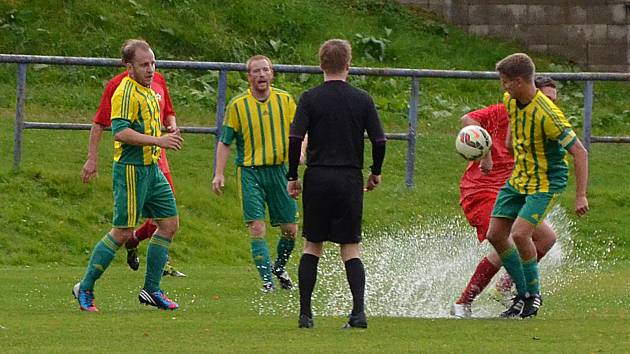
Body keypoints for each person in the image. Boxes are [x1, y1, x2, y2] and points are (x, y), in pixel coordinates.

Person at [72, 39, 184, 312]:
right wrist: (158, 141)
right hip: (132, 171)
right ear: (128, 66)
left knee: (169, 224)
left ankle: (151, 289)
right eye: (144, 65)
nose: (151, 69)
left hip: (152, 169)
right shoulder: (124, 92)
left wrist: (166, 131)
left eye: (153, 63)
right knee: (122, 232)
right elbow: (120, 132)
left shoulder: (150, 88)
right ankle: (84, 287)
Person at [287, 39, 387, 329]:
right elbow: (379, 140)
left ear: (321, 65)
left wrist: (293, 175)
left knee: (312, 244)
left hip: (318, 176)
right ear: (348, 65)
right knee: (350, 246)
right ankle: (358, 313)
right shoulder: (362, 99)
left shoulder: (309, 98)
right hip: (349, 177)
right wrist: (375, 171)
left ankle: (306, 315)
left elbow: (295, 139)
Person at [486, 53, 589, 318]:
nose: (503, 86)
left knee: (520, 234)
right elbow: (511, 138)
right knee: (495, 234)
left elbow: (580, 152)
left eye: (506, 81)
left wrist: (580, 196)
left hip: (546, 182)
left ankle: (532, 296)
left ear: (519, 81)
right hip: (520, 178)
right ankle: (522, 293)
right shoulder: (511, 100)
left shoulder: (548, 115)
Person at [451, 76, 561, 318]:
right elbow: (467, 120)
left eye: (554, 100)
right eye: (546, 99)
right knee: (509, 238)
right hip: (481, 190)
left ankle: (503, 290)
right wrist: (486, 153)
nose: (551, 104)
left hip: (513, 191)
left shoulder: (545, 123)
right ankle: (464, 303)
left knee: (546, 239)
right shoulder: (505, 111)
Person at [212, 55, 300, 292]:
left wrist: (301, 153)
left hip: (281, 171)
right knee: (256, 227)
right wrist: (219, 173)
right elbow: (225, 141)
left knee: (290, 230)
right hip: (251, 173)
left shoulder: (285, 100)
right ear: (248, 76)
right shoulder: (238, 105)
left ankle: (279, 268)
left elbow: (300, 131)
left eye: (265, 70)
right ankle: (267, 282)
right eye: (256, 71)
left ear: (272, 74)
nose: (261, 75)